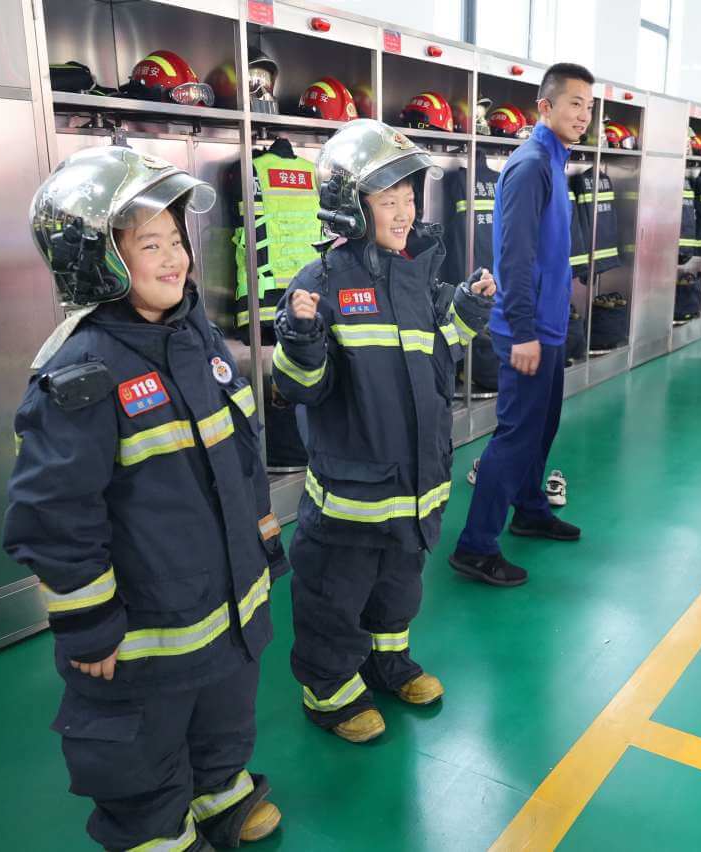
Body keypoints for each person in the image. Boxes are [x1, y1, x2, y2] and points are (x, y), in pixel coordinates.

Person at [5, 146, 286, 850]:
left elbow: (240, 451)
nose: (175, 258)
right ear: (96, 260)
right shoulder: (82, 371)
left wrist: (263, 536)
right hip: (145, 630)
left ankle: (220, 791)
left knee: (225, 712)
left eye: (177, 240)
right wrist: (88, 621)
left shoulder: (196, 336)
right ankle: (157, 834)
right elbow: (53, 515)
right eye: (150, 245)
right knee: (143, 749)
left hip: (225, 600)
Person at [271, 119, 495, 743]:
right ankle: (329, 690)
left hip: (414, 487)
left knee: (399, 587)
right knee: (334, 595)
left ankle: (387, 661)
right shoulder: (319, 284)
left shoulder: (415, 275)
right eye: (387, 200)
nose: (404, 212)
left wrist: (467, 310)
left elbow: (438, 351)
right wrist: (302, 339)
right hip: (351, 496)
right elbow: (299, 387)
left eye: (409, 197)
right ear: (349, 206)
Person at [449, 62, 596, 587]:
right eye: (574, 103)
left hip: (547, 325)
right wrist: (524, 331)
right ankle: (475, 545)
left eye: (589, 106)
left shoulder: (555, 162)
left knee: (542, 426)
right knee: (515, 436)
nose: (584, 114)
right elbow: (513, 256)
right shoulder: (531, 165)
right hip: (527, 329)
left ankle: (530, 510)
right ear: (546, 107)